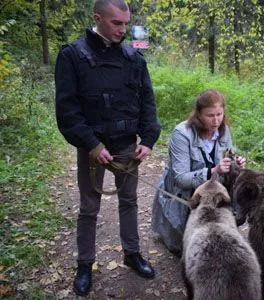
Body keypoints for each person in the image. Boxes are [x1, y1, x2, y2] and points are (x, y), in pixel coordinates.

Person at [54, 0, 161, 296]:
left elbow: (147, 102)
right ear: (97, 18)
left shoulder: (134, 58)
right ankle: (85, 265)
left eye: (126, 23)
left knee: (129, 202)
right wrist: (91, 144)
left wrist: (149, 139)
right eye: (116, 23)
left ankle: (132, 253)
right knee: (89, 208)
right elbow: (67, 110)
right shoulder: (73, 56)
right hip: (92, 148)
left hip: (127, 146)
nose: (123, 30)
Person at [151, 89, 245, 256]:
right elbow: (181, 178)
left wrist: (234, 165)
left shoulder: (224, 131)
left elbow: (226, 158)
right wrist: (213, 171)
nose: (216, 121)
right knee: (184, 248)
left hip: (213, 186)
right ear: (199, 114)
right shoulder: (182, 134)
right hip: (184, 191)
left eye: (219, 114)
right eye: (210, 115)